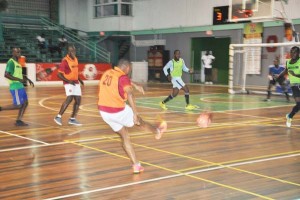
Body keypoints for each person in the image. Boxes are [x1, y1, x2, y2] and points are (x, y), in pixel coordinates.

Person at [98, 59, 167, 174]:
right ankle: (157, 132)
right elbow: (129, 93)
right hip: (117, 110)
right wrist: (136, 113)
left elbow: (122, 81)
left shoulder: (108, 73)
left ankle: (136, 165)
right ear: (128, 68)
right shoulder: (123, 77)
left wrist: (135, 84)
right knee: (139, 122)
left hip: (104, 112)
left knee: (125, 136)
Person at [0, 47, 34, 126]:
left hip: (20, 86)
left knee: (25, 103)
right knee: (18, 105)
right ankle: (1, 108)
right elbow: (6, 74)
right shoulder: (11, 62)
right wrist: (19, 79)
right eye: (17, 52)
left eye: (20, 52)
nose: (19, 54)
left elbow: (19, 74)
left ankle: (19, 120)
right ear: (13, 53)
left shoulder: (18, 62)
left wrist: (27, 79)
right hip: (15, 86)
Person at [54, 44, 84, 126]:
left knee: (78, 100)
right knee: (70, 98)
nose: (74, 52)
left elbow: (75, 72)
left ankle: (72, 119)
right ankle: (58, 116)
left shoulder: (76, 59)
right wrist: (68, 81)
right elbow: (59, 74)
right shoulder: (65, 61)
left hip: (75, 82)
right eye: (72, 50)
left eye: (74, 50)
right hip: (68, 82)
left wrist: (80, 80)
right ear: (68, 51)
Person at [284, 46, 300, 127]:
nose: (292, 54)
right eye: (291, 52)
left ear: (298, 53)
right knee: (299, 104)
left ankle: (289, 116)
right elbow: (285, 71)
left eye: (294, 52)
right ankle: (290, 116)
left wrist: (295, 74)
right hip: (294, 86)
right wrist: (277, 77)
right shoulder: (288, 62)